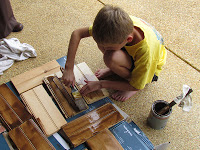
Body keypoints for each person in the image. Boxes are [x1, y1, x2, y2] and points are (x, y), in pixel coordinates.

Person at [62, 5, 166, 101]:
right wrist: (69, 68)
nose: (104, 49)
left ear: (128, 39)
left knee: (111, 58)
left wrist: (101, 84)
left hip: (150, 70)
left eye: (109, 47)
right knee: (106, 48)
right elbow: (77, 33)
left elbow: (136, 85)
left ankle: (130, 82)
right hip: (130, 51)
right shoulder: (114, 25)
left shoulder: (146, 54)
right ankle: (114, 69)